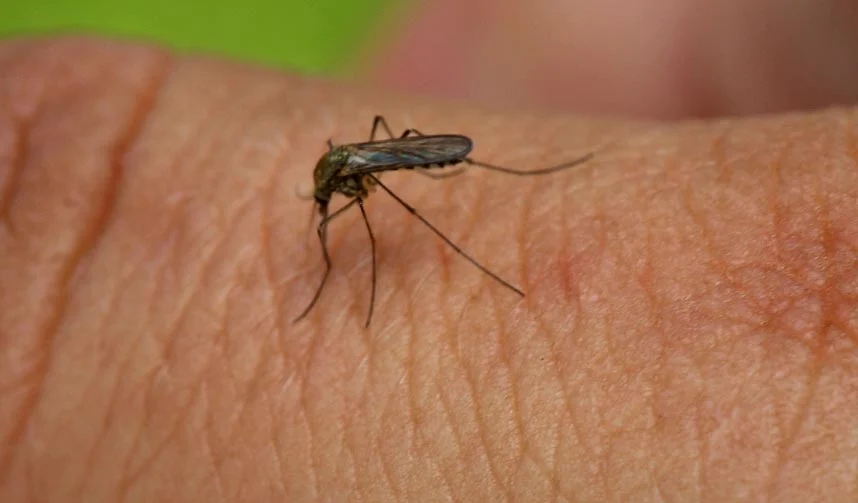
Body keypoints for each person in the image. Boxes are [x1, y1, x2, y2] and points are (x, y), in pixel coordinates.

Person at [1, 1, 856, 499]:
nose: (330, 205)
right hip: (385, 145)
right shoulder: (334, 172)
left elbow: (359, 183)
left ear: (334, 177)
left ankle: (501, 204)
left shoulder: (354, 173)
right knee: (372, 206)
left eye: (328, 194)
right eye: (330, 191)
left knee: (399, 212)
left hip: (416, 146)